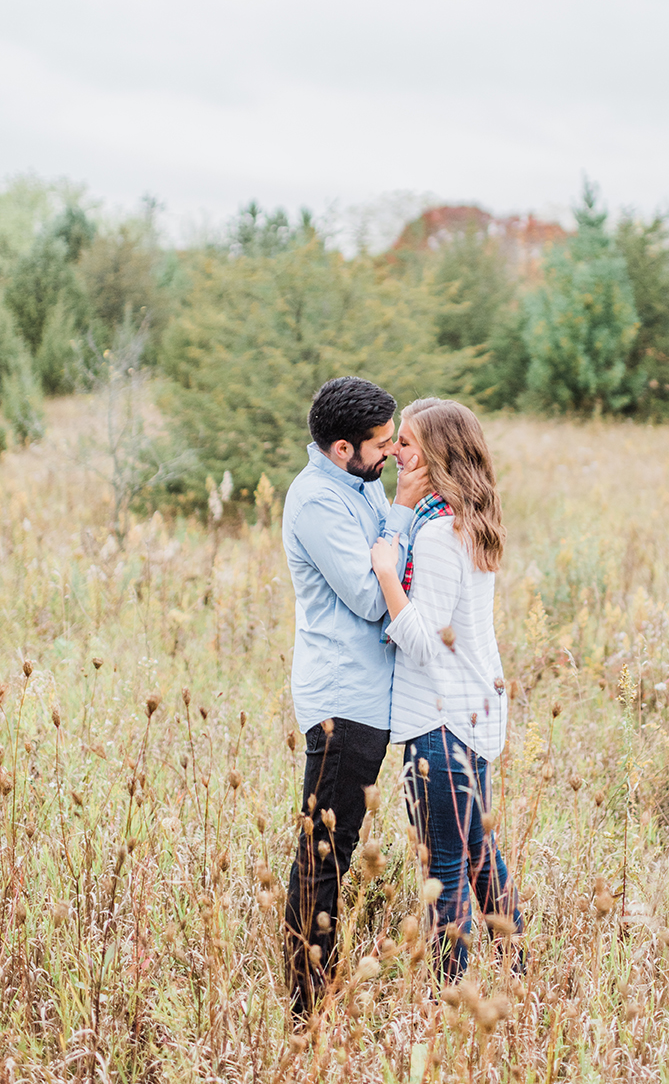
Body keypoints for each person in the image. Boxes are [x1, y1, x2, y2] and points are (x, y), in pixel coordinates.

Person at [282, 376, 429, 1015]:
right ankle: (306, 1000)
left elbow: (388, 567)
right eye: (380, 442)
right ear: (343, 449)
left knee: (334, 845)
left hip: (368, 696)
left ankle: (316, 981)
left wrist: (391, 534)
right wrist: (400, 513)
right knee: (325, 849)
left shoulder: (354, 487)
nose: (392, 450)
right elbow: (373, 596)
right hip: (343, 699)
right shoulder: (318, 501)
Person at [370, 397, 523, 980]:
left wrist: (387, 572)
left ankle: (449, 994)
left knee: (447, 868)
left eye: (405, 443)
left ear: (435, 455)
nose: (395, 451)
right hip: (470, 715)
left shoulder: (437, 537)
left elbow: (424, 642)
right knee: (478, 854)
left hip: (440, 725)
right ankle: (516, 967)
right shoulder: (469, 521)